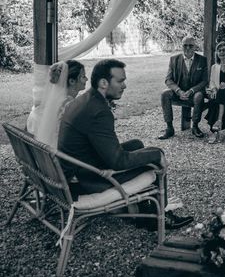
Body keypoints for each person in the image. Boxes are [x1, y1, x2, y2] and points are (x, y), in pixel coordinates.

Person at [58, 59, 193, 229]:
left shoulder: (87, 99)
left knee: (137, 144)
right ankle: (159, 218)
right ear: (103, 83)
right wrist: (157, 154)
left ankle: (146, 212)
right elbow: (117, 161)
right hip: (87, 179)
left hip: (80, 167)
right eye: (120, 81)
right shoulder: (98, 111)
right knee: (155, 162)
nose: (125, 86)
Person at [159, 36, 208, 139]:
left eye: (190, 45)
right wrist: (178, 91)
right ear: (181, 46)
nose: (188, 48)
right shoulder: (174, 59)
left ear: (195, 47)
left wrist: (191, 90)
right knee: (165, 94)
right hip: (178, 92)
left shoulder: (202, 60)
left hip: (194, 93)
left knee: (199, 96)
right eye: (185, 45)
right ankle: (169, 128)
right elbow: (168, 79)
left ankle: (195, 126)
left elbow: (204, 81)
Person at [33, 60, 87, 148]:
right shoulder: (69, 105)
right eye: (83, 76)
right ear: (72, 81)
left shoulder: (58, 100)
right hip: (64, 152)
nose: (86, 79)